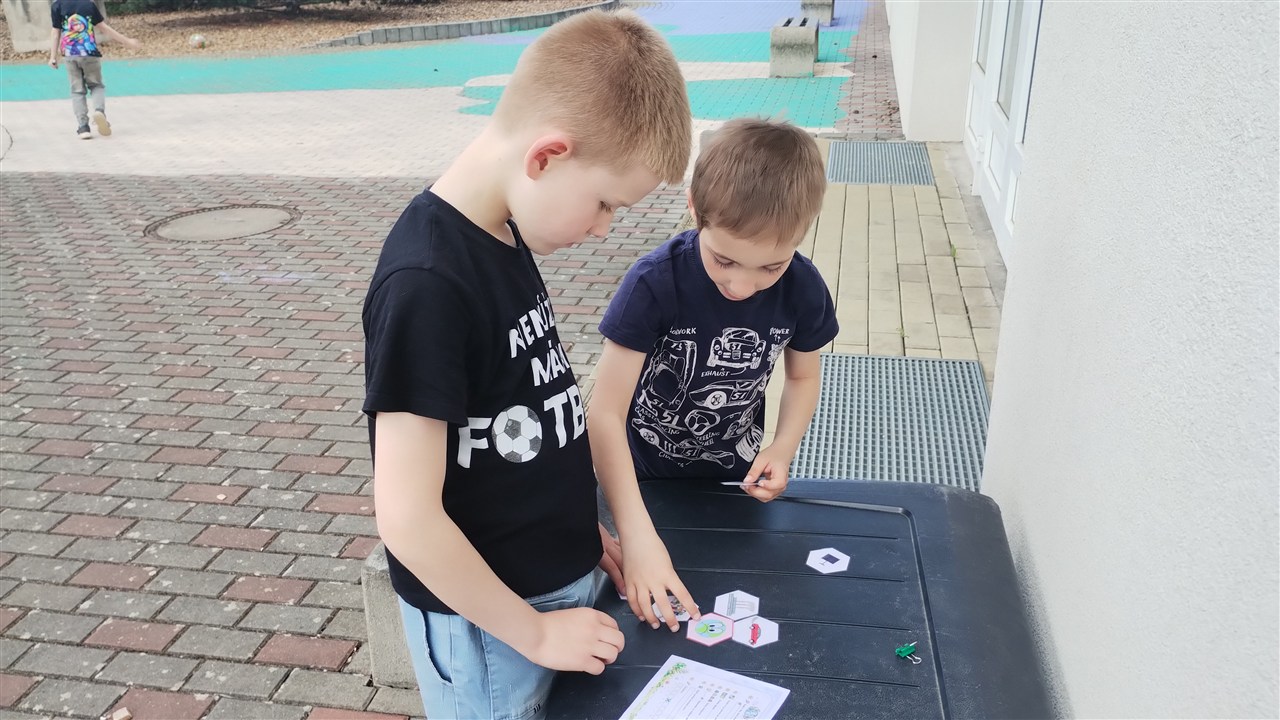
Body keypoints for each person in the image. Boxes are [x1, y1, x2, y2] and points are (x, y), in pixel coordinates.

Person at [362, 9, 691, 719]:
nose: (602, 228)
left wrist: (571, 530)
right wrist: (535, 632)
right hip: (494, 628)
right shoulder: (427, 284)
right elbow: (407, 519)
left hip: (550, 590)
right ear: (546, 157)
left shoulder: (502, 230)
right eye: (603, 204)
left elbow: (526, 411)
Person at [588, 118, 837, 631]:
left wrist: (782, 449)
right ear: (695, 210)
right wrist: (635, 533)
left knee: (726, 600)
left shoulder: (804, 287)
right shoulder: (653, 284)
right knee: (639, 615)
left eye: (770, 267)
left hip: (731, 481)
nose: (742, 286)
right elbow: (604, 413)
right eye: (724, 260)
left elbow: (802, 377)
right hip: (637, 481)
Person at [48, 0, 140, 139]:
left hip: (70, 55)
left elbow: (56, 32)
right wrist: (127, 41)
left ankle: (83, 127)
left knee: (77, 91)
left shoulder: (57, 5)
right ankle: (99, 111)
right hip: (89, 53)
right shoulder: (88, 4)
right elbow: (105, 28)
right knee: (96, 85)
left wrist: (52, 57)